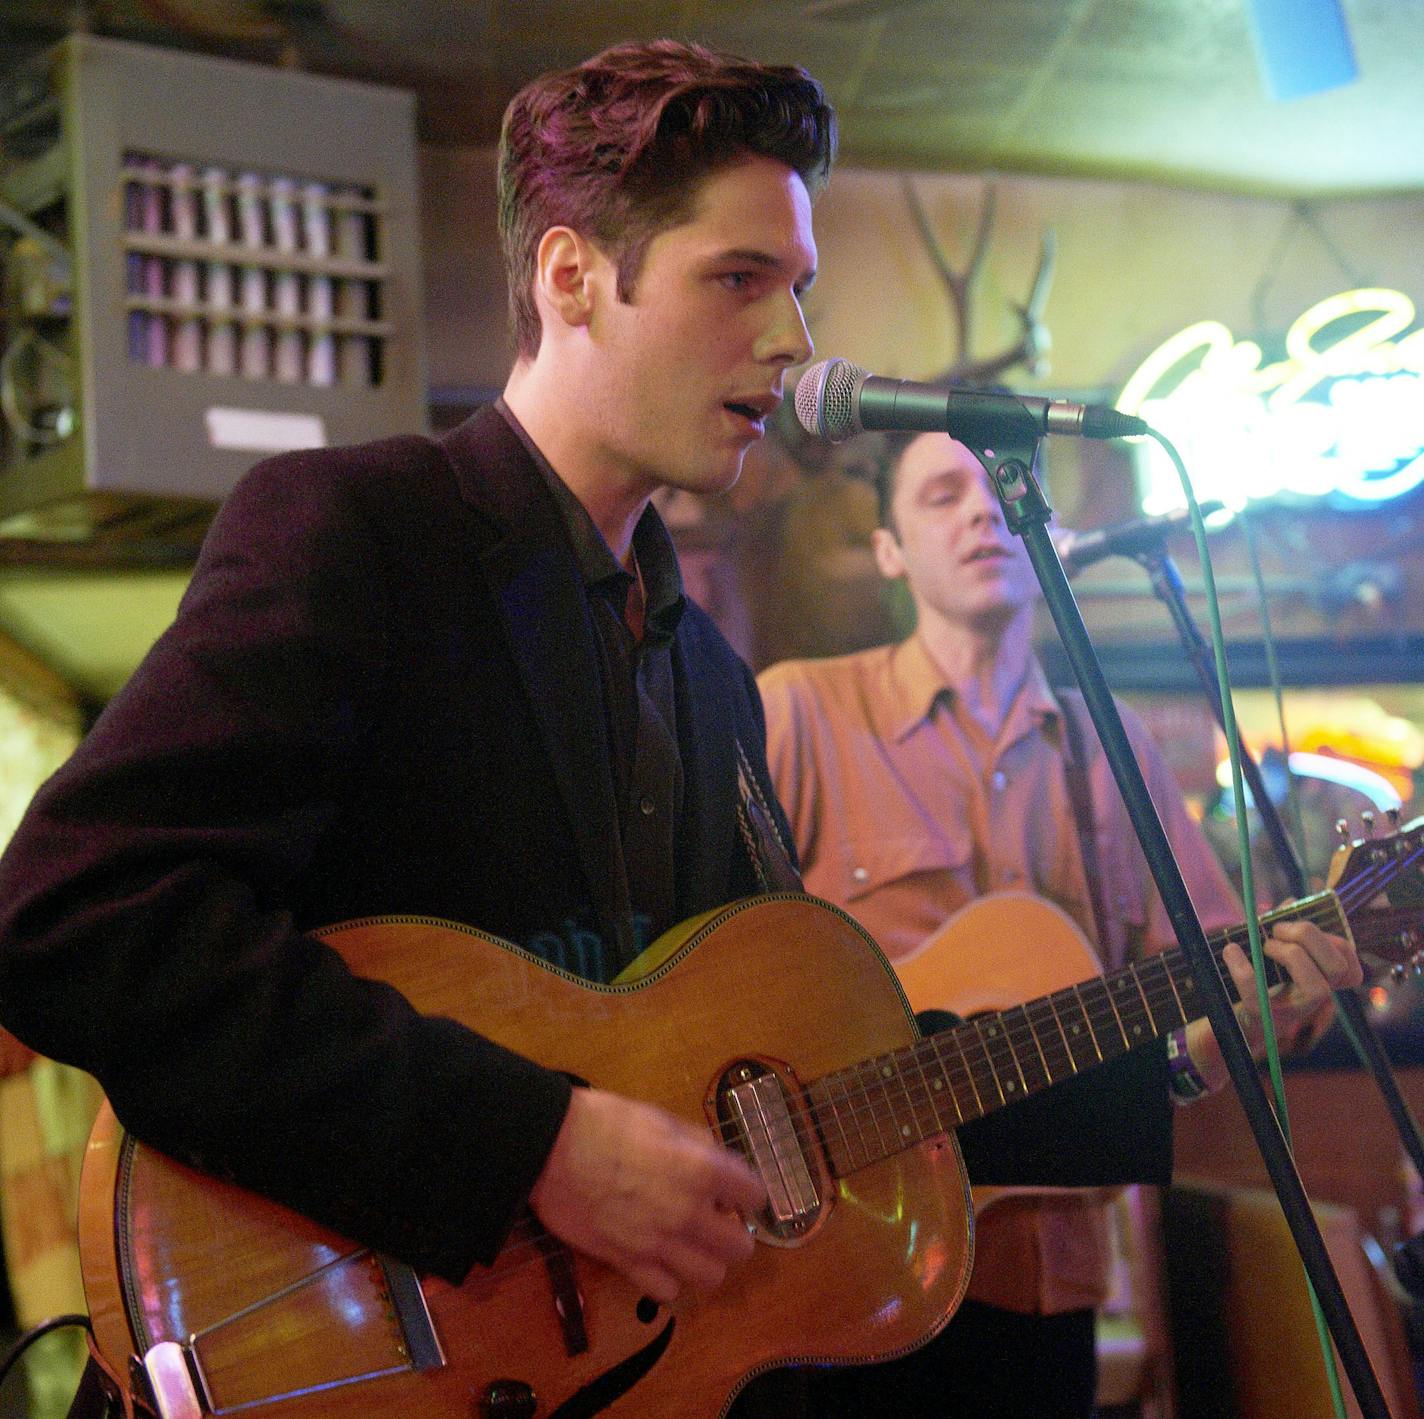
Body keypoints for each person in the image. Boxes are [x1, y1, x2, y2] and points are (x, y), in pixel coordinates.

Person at [0, 39, 832, 1414]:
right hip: (317, 1356)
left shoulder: (713, 682)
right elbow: (77, 915)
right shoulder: (363, 534)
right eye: (737, 279)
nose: (795, 341)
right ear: (569, 276)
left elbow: (765, 1048)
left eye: (798, 288)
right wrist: (529, 1144)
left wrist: (1171, 1041)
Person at [757, 427, 1361, 1417]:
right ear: (888, 552)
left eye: (1002, 491)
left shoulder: (1109, 745)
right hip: (840, 1278)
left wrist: (1273, 996)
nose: (982, 512)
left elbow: (1195, 1015)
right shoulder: (803, 714)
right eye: (941, 495)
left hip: (1040, 1287)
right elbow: (720, 964)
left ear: (1052, 534)